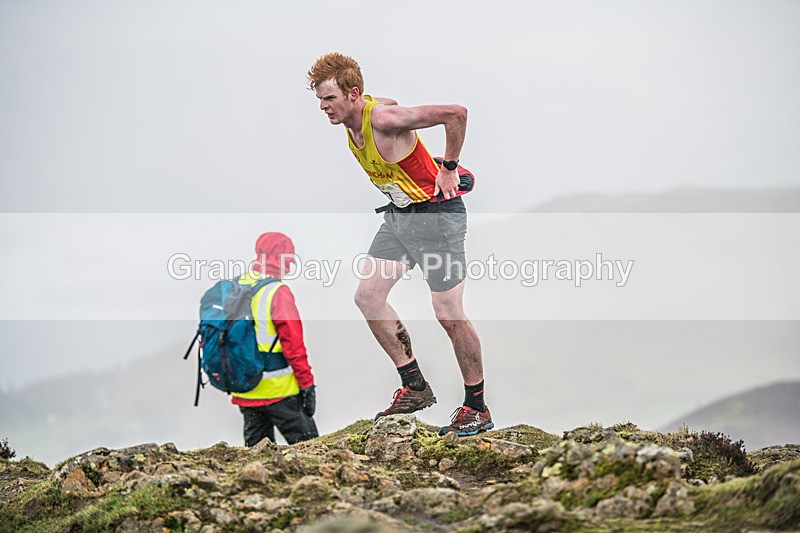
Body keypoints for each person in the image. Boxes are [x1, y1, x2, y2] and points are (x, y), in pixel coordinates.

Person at [307, 52, 492, 436]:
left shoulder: (385, 121)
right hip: (399, 217)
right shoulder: (357, 114)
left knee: (448, 313)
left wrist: (449, 168)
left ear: (352, 93)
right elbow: (384, 100)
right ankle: (415, 386)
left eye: (329, 99)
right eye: (320, 100)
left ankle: (477, 407)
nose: (323, 108)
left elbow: (456, 113)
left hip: (437, 219)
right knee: (368, 297)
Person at [231, 231, 319, 446]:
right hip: (281, 393)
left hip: (245, 391)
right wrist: (307, 385)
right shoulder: (277, 292)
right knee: (312, 452)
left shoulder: (236, 286)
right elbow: (294, 345)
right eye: (290, 257)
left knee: (257, 461)